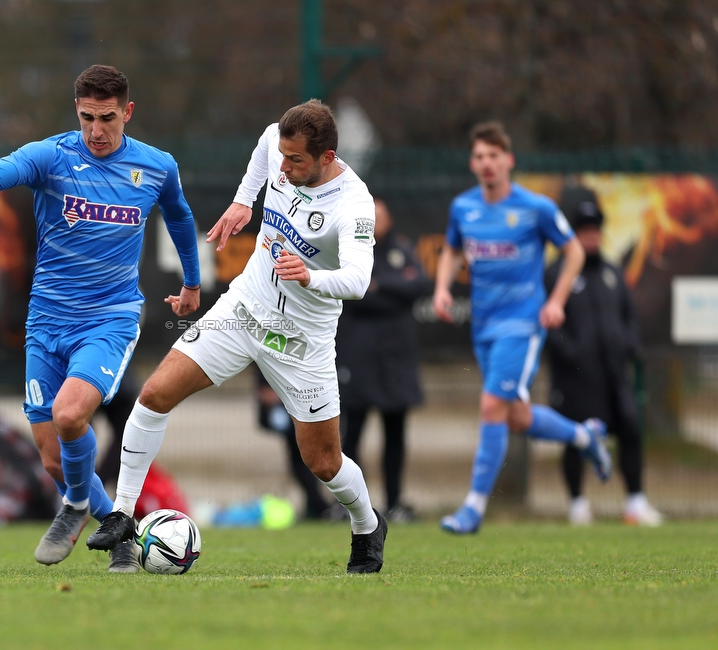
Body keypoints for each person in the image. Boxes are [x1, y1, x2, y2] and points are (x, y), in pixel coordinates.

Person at [0, 65, 201, 572]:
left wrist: (193, 282)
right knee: (52, 456)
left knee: (71, 416)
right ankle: (122, 538)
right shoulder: (51, 156)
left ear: (127, 112)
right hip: (46, 322)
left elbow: (178, 215)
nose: (96, 129)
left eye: (107, 118)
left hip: (109, 318)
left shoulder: (156, 166)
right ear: (77, 111)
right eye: (88, 117)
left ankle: (73, 507)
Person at [86, 99, 389, 574]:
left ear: (327, 157)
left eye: (296, 162)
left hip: (300, 341)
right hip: (242, 310)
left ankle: (368, 525)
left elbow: (357, 280)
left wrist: (310, 278)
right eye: (282, 158)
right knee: (153, 396)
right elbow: (269, 139)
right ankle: (122, 513)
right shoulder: (279, 144)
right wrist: (244, 201)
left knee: (324, 462)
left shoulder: (353, 204)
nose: (284, 169)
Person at [432, 121, 613, 535]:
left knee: (492, 406)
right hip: (484, 326)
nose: (486, 163)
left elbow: (573, 254)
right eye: (479, 156)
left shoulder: (537, 208)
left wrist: (555, 301)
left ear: (508, 160)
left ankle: (473, 508)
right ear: (472, 164)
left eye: (494, 156)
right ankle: (586, 437)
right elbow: (452, 250)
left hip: (523, 323)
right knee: (514, 416)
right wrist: (442, 288)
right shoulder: (464, 207)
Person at [545, 198, 664, 526]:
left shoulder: (612, 271)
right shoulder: (557, 273)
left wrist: (628, 345)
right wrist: (571, 353)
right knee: (575, 438)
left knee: (630, 432)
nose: (591, 237)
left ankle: (635, 502)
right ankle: (577, 505)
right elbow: (547, 323)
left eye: (595, 231)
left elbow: (629, 316)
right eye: (584, 231)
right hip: (576, 377)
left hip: (615, 374)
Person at [336, 198, 432, 524]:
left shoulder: (403, 251)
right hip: (359, 361)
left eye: (382, 216)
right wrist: (391, 290)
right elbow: (356, 292)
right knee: (352, 437)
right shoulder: (350, 252)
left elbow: (418, 284)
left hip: (396, 364)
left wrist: (380, 285)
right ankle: (350, 505)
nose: (377, 222)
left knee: (395, 436)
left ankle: (395, 503)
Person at [255, 367, 340, 521]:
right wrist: (266, 384)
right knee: (300, 453)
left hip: (313, 388)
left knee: (313, 454)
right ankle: (321, 507)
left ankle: (325, 507)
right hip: (292, 390)